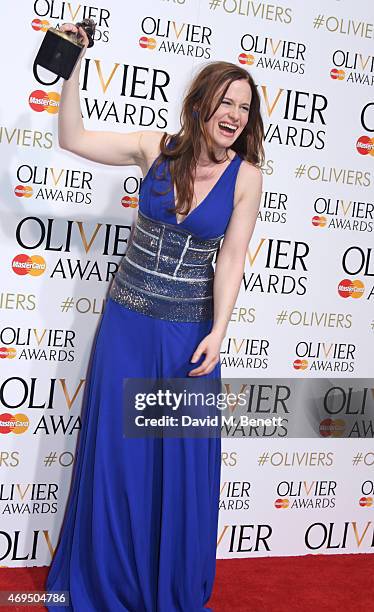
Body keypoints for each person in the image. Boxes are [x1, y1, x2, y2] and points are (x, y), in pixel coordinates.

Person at [45, 23, 264, 612]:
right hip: (126, 328)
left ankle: (166, 586)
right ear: (203, 104)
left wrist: (218, 331)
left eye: (245, 109)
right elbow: (72, 138)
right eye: (227, 102)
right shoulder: (155, 147)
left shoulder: (247, 179)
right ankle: (107, 580)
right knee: (119, 458)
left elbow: (233, 260)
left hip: (187, 336)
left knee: (177, 466)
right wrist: (73, 66)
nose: (236, 116)